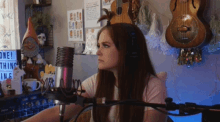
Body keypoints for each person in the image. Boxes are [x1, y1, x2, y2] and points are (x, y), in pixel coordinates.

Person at [23, 9, 167, 122]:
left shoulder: (153, 87)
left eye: (105, 46)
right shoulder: (97, 81)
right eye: (98, 45)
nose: (98, 52)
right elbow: (58, 111)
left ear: (127, 51)